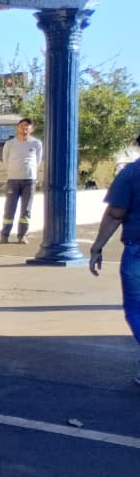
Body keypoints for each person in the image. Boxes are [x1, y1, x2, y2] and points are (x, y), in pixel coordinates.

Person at [88, 133, 140, 387]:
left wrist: (97, 247)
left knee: (136, 309)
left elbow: (116, 213)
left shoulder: (131, 174)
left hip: (137, 251)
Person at [1, 118, 42, 244]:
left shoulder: (36, 143)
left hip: (29, 180)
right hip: (13, 180)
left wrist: (31, 172)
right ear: (17, 128)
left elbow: (38, 160)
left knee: (26, 210)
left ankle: (22, 235)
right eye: (22, 126)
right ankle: (5, 234)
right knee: (9, 208)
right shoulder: (10, 144)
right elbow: (5, 160)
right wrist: (13, 171)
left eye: (27, 126)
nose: (24, 128)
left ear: (31, 129)